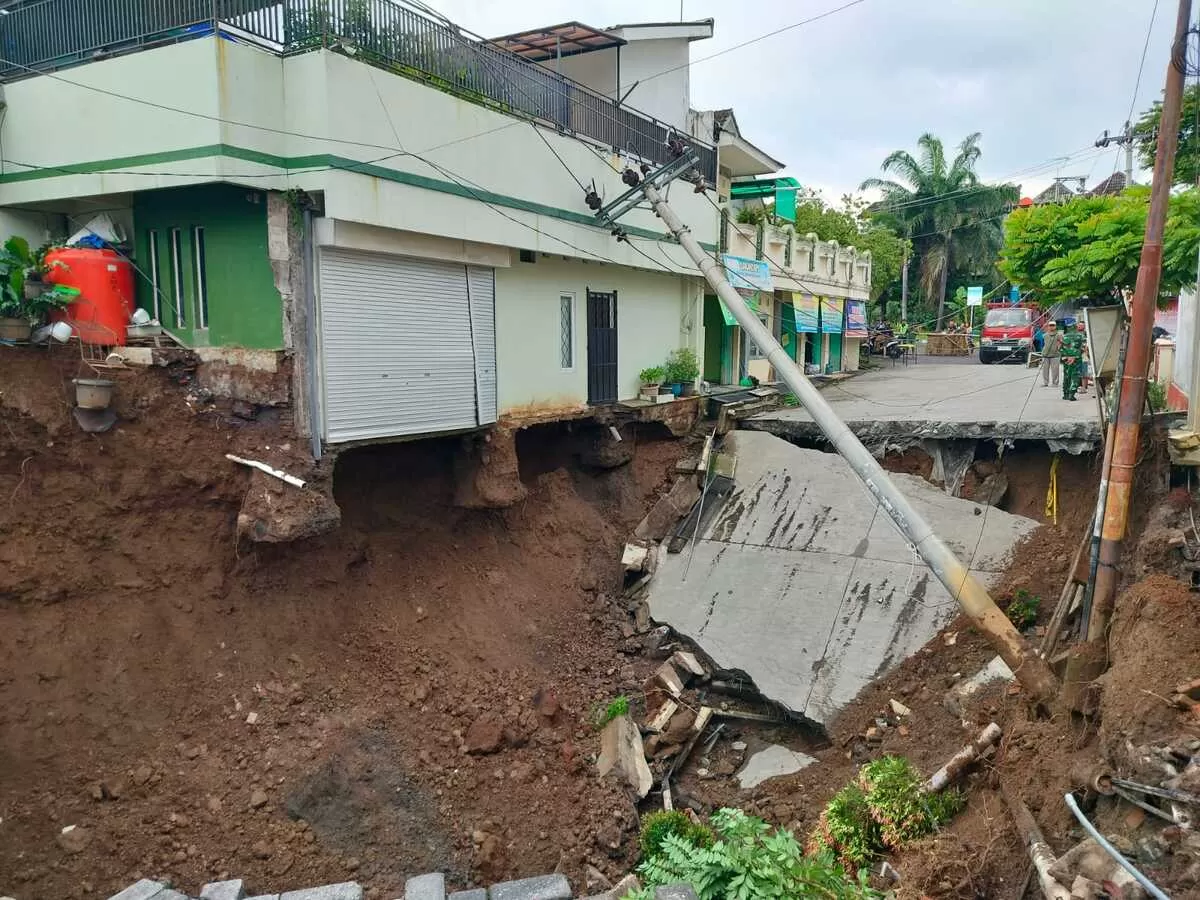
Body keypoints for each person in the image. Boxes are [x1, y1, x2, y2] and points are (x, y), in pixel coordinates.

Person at [1061, 321, 1085, 401]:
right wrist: (1075, 356)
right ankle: (1072, 394)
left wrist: (1066, 356)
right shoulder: (1080, 336)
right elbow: (1083, 347)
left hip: (1066, 359)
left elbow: (1060, 348)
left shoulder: (1064, 337)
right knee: (1075, 376)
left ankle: (1065, 394)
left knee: (1067, 376)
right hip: (1076, 359)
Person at [1040, 320, 1062, 388]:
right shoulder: (1045, 335)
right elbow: (1042, 344)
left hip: (1055, 355)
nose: (1051, 327)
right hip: (1045, 354)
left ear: (1055, 326)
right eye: (1050, 325)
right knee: (1045, 370)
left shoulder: (1059, 335)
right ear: (1048, 327)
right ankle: (1045, 382)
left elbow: (1061, 343)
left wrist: (1058, 348)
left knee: (1055, 370)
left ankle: (1055, 383)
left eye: (1053, 325)